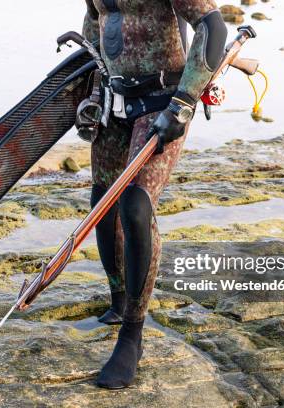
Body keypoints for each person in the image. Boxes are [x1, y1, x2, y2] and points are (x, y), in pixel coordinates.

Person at [81, 0, 227, 389]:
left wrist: (182, 105)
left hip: (162, 102)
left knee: (135, 205)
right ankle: (117, 300)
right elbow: (96, 30)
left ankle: (132, 334)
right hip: (115, 104)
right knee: (102, 203)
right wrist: (91, 97)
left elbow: (212, 28)